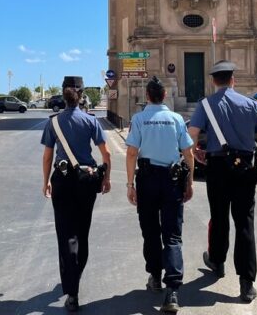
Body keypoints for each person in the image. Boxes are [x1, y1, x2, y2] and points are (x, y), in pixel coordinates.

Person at [188, 61, 257, 304]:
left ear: (214, 81)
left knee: (219, 216)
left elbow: (192, 133)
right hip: (246, 165)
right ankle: (246, 283)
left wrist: (195, 152)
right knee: (244, 221)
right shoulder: (250, 104)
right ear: (233, 80)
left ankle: (217, 262)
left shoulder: (206, 105)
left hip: (217, 166)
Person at [41, 76, 112, 312]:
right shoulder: (91, 121)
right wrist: (107, 178)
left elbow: (47, 156)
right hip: (86, 181)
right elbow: (106, 154)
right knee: (82, 233)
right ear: (82, 96)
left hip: (61, 180)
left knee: (66, 235)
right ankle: (76, 279)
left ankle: (71, 291)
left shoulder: (53, 123)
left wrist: (45, 182)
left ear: (63, 95)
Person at [126, 76, 195, 313]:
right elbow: (188, 153)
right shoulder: (176, 119)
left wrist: (129, 184)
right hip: (172, 181)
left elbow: (132, 153)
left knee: (151, 231)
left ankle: (155, 276)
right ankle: (172, 292)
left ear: (147, 96)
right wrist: (190, 182)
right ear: (164, 96)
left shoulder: (139, 119)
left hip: (146, 180)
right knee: (173, 235)